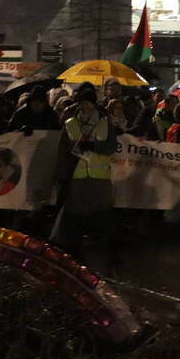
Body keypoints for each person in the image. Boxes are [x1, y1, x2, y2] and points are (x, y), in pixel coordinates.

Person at [61, 88, 117, 249]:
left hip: (99, 174)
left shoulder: (105, 123)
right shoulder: (70, 124)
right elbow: (63, 149)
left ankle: (102, 239)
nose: (84, 106)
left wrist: (94, 146)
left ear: (93, 104)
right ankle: (76, 240)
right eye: (81, 103)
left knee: (102, 209)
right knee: (76, 210)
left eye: (87, 103)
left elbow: (111, 146)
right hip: (77, 174)